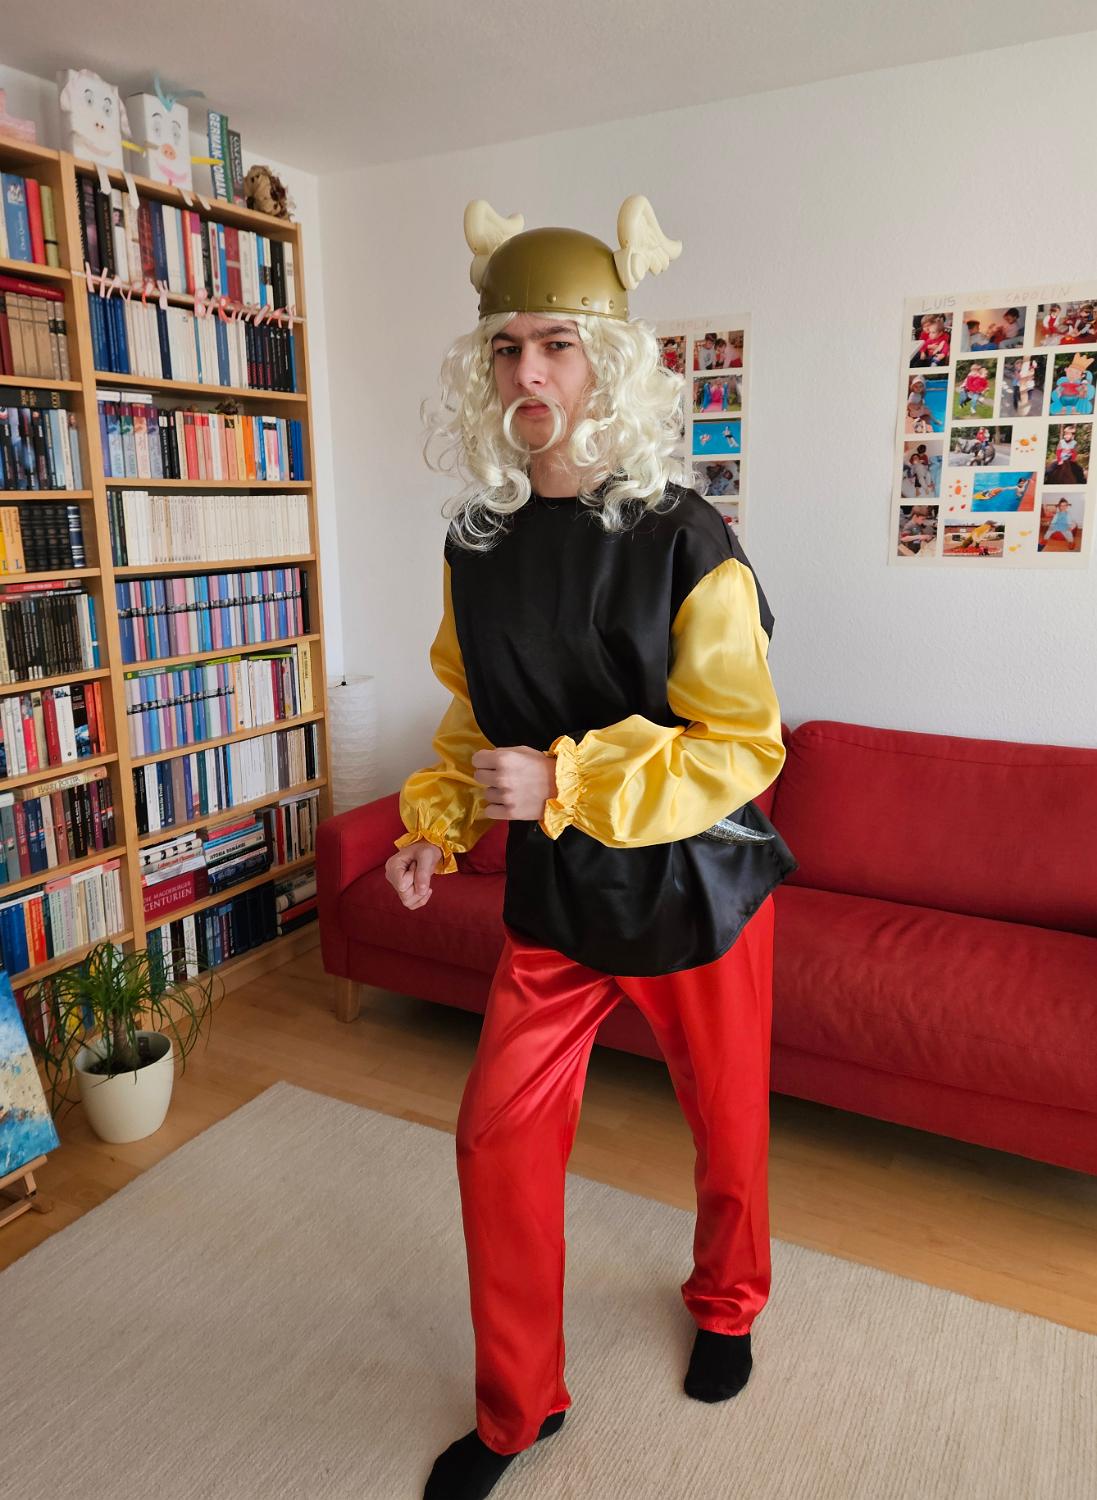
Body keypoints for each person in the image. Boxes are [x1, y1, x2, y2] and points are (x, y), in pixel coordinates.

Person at [388, 197, 796, 1500]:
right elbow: (476, 713)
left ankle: (727, 1302)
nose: (530, 373)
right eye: (508, 348)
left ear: (605, 365)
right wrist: (437, 821)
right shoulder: (475, 545)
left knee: (725, 1128)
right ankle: (518, 1410)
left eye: (557, 346)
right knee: (492, 1143)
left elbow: (742, 747)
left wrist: (563, 777)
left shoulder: (687, 538)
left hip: (693, 892)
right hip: (557, 900)